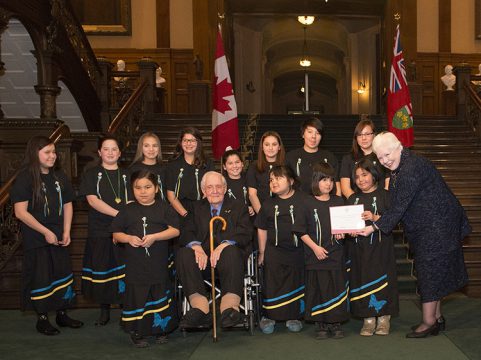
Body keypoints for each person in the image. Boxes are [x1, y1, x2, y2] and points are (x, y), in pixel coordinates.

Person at [358, 132, 470, 338]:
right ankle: (436, 318)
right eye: (380, 157)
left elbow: (399, 206)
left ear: (399, 146)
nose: (385, 160)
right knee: (432, 270)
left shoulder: (410, 168)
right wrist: (380, 218)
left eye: (387, 154)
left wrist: (374, 227)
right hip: (430, 224)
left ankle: (428, 322)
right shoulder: (400, 166)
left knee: (429, 271)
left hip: (438, 225)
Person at [10, 136, 83, 335]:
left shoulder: (60, 176)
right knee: (42, 276)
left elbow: (68, 204)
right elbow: (20, 212)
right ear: (36, 154)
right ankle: (42, 318)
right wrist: (45, 231)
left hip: (59, 233)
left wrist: (67, 230)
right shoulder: (25, 178)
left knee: (62, 273)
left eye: (54, 152)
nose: (52, 156)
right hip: (37, 236)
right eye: (47, 152)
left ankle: (62, 313)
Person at [176, 171, 253, 329]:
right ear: (203, 191)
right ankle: (200, 309)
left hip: (230, 264)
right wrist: (196, 247)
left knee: (231, 251)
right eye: (210, 187)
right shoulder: (195, 208)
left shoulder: (239, 207)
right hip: (202, 263)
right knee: (184, 253)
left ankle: (229, 309)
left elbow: (245, 233)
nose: (215, 190)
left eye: (218, 186)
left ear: (225, 188)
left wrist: (224, 245)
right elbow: (186, 231)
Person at [112, 170, 180, 347]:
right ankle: (137, 331)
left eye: (148, 187)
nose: (143, 192)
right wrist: (128, 238)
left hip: (157, 263)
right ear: (132, 190)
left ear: (156, 188)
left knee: (159, 291)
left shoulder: (164, 207)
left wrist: (155, 236)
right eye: (138, 188)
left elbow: (175, 230)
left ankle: (161, 329)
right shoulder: (127, 210)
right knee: (138, 295)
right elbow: (116, 233)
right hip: (136, 265)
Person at [79, 135, 131, 326]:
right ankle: (104, 310)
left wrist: (125, 219)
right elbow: (92, 201)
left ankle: (126, 308)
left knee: (125, 269)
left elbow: (134, 199)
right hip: (100, 229)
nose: (110, 153)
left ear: (119, 153)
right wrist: (119, 214)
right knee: (103, 267)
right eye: (106, 149)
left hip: (124, 229)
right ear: (100, 152)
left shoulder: (127, 174)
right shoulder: (91, 174)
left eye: (114, 149)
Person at [293, 163, 348, 340]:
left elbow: (344, 228)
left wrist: (342, 234)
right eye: (324, 180)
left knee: (335, 287)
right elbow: (300, 231)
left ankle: (335, 322)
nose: (328, 184)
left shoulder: (339, 201)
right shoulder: (306, 202)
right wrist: (315, 248)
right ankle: (321, 323)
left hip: (335, 254)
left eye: (331, 180)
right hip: (315, 254)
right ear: (315, 180)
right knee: (317, 288)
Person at [346, 158, 399, 336]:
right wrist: (350, 231)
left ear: (374, 175)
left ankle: (384, 318)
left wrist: (375, 217)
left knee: (384, 280)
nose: (361, 180)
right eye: (357, 177)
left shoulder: (386, 195)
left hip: (382, 248)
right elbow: (347, 225)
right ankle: (367, 319)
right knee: (362, 280)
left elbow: (395, 222)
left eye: (364, 175)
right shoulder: (352, 198)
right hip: (360, 249)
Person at [255, 165, 307, 334]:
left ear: (291, 181)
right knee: (272, 283)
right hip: (274, 251)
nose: (274, 182)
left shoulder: (304, 200)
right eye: (271, 180)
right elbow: (261, 228)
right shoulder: (268, 204)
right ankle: (269, 316)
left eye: (278, 178)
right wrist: (262, 252)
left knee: (295, 281)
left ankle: (294, 316)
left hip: (298, 251)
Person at [166, 127, 214, 222]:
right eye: (185, 140)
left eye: (192, 140)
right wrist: (185, 214)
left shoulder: (207, 163)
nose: (188, 143)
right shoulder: (173, 164)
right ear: (180, 142)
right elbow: (171, 195)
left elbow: (210, 188)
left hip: (202, 208)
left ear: (198, 142)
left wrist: (201, 211)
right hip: (179, 210)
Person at [286, 117, 340, 196]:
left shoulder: (329, 157)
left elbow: (337, 186)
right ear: (303, 134)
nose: (313, 136)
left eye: (317, 133)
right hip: (299, 204)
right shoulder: (291, 157)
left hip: (324, 203)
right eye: (310, 132)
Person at [340, 119, 388, 199]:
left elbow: (387, 185)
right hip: (356, 205)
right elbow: (345, 189)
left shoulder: (383, 157)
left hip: (380, 203)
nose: (363, 138)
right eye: (359, 135)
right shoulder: (348, 159)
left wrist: (380, 202)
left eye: (367, 134)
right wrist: (359, 203)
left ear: (374, 135)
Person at [247, 131, 286, 214]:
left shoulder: (286, 166)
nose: (270, 148)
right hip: (260, 212)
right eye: (267, 144)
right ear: (262, 147)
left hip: (283, 212)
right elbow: (252, 194)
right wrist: (262, 216)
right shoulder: (253, 166)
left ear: (279, 147)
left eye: (274, 144)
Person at [129, 132, 166, 202]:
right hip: (139, 210)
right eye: (146, 146)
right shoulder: (133, 169)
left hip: (162, 210)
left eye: (155, 145)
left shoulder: (165, 169)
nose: (151, 149)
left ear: (159, 148)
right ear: (141, 148)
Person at [221, 149, 254, 216]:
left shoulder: (249, 179)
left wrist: (252, 207)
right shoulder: (221, 182)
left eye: (237, 162)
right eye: (230, 163)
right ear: (224, 167)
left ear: (242, 164)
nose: (234, 166)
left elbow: (254, 198)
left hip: (247, 222)